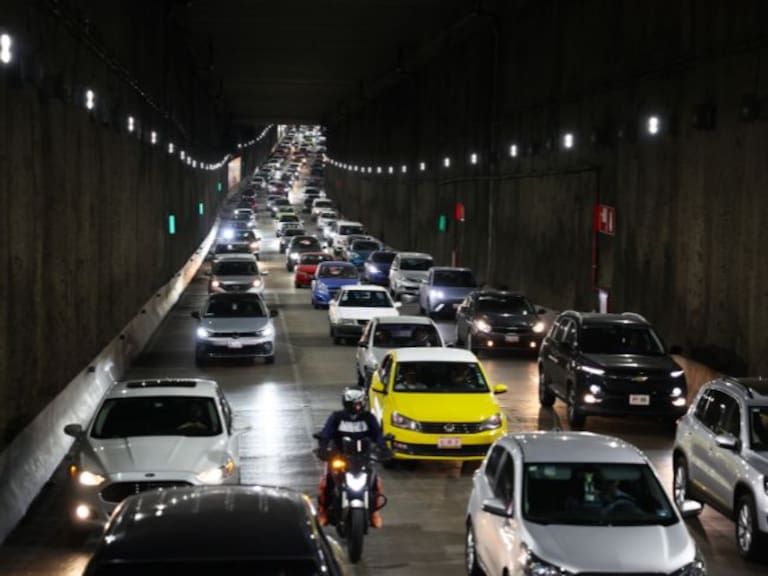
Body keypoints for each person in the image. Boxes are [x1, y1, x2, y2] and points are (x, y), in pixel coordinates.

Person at [316, 388, 388, 528]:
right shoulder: (337, 417)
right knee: (327, 482)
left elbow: (378, 435)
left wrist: (384, 448)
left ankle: (374, 513)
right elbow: (326, 433)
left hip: (363, 458)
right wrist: (323, 448)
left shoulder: (368, 418)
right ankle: (323, 512)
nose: (358, 406)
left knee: (375, 482)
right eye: (355, 403)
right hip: (340, 457)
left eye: (360, 403)